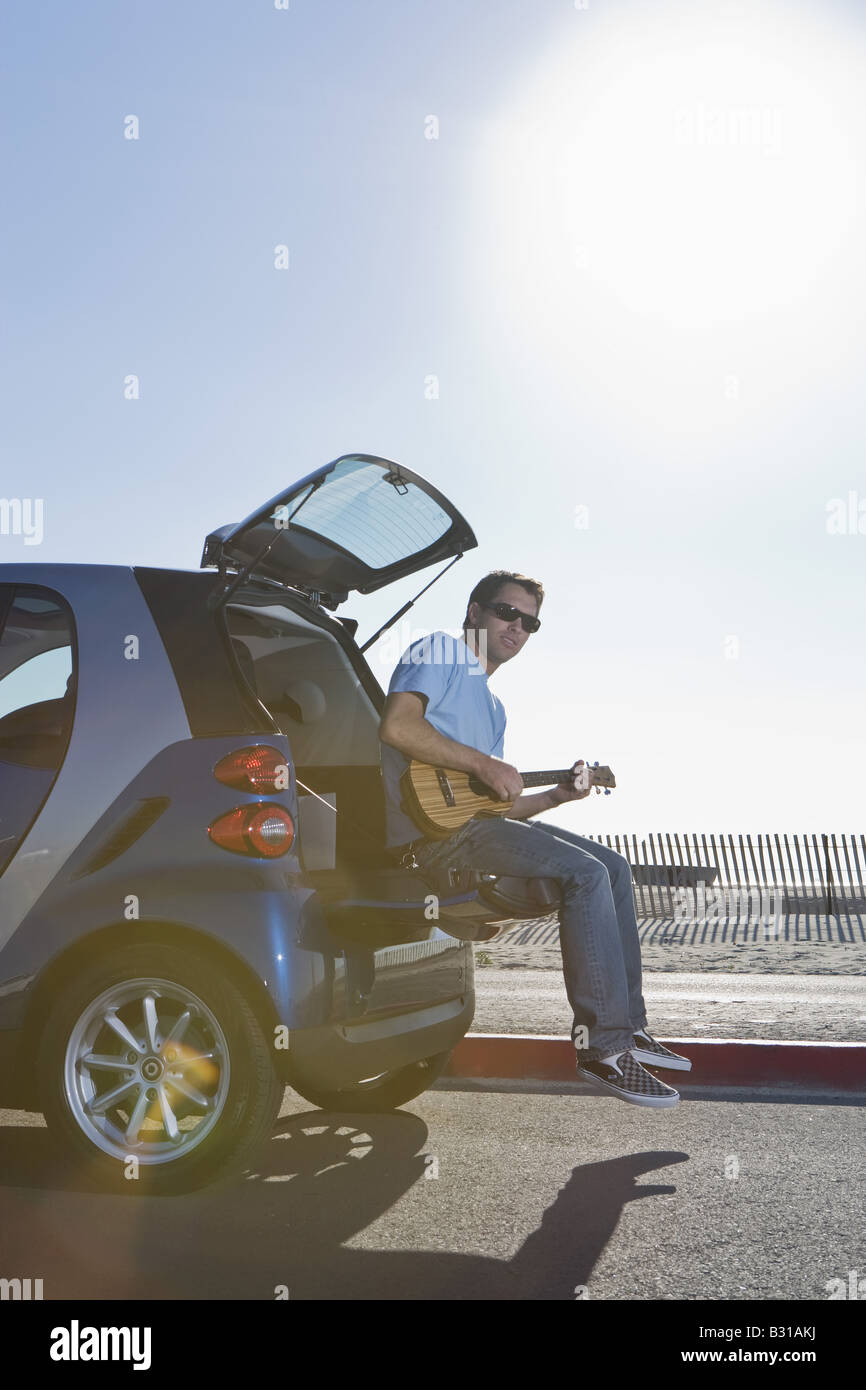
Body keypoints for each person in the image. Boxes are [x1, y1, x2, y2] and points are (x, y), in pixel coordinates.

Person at [378, 569, 691, 1108]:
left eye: (530, 622)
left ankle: (630, 1026)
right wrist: (482, 761)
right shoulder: (441, 652)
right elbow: (398, 728)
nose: (517, 627)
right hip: (431, 838)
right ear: (475, 611)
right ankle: (602, 1049)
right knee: (584, 873)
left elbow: (495, 806)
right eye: (507, 612)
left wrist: (557, 797)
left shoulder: (495, 709)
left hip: (476, 829)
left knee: (613, 866)